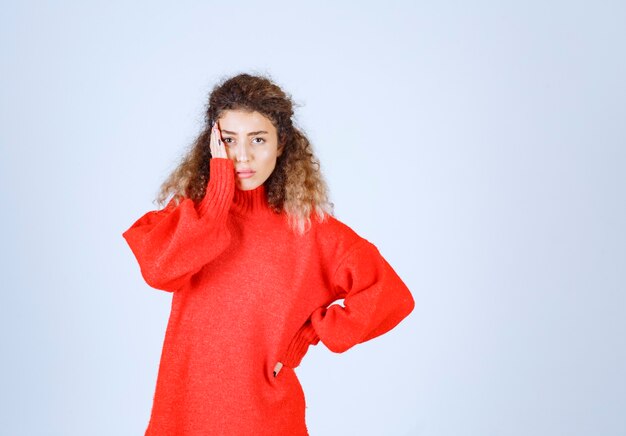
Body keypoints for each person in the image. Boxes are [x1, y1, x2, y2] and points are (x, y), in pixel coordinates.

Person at [122, 73, 415, 435]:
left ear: (281, 144)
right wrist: (216, 199)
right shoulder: (192, 216)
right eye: (229, 140)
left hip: (263, 415)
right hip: (184, 410)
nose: (242, 156)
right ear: (213, 145)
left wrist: (306, 336)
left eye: (258, 139)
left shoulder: (312, 230)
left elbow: (390, 296)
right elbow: (159, 271)